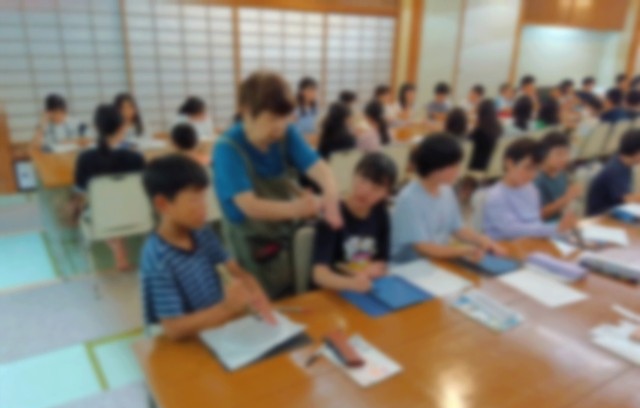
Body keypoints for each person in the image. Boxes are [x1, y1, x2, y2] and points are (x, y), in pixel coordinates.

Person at [213, 71, 341, 298]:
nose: (279, 127)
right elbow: (249, 205)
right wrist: (298, 208)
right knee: (261, 306)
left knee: (296, 298)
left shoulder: (286, 134)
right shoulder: (227, 149)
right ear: (246, 112)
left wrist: (331, 202)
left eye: (285, 117)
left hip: (285, 237)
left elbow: (321, 170)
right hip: (250, 245)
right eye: (272, 118)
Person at [140, 156, 275, 340]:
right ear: (162, 204)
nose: (204, 207)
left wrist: (255, 291)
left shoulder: (201, 232)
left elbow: (234, 270)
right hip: (184, 343)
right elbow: (174, 329)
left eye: (203, 197)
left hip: (215, 330)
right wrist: (226, 308)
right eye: (194, 200)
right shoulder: (158, 257)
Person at [391, 133, 503, 263]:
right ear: (435, 166)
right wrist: (464, 251)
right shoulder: (409, 199)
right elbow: (423, 248)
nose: (458, 171)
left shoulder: (445, 190)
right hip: (409, 266)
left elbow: (457, 228)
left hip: (436, 261)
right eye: (453, 166)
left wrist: (482, 240)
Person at [74, 104, 145, 270]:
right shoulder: (135, 157)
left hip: (100, 214)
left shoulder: (85, 158)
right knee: (120, 201)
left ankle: (116, 246)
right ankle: (120, 248)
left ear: (96, 128)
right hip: (135, 211)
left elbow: (80, 190)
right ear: (122, 128)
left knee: (87, 202)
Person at [312, 153, 397, 292]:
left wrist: (369, 272)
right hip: (333, 292)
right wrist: (353, 282)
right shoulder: (333, 213)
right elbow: (319, 275)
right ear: (354, 175)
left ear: (386, 194)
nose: (365, 191)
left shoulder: (381, 214)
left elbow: (382, 262)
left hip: (365, 288)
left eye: (376, 188)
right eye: (363, 180)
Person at [482, 137, 577, 240]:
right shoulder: (496, 196)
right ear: (509, 163)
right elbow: (512, 230)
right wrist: (554, 228)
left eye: (536, 169)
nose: (532, 175)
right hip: (505, 246)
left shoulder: (531, 189)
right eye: (528, 168)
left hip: (529, 244)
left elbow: (535, 223)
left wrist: (561, 228)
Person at [586, 129, 640, 216]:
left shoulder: (623, 163)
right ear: (637, 152)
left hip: (614, 213)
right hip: (600, 218)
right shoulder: (615, 170)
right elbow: (628, 199)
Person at [534, 132, 581, 222]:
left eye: (566, 153)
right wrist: (567, 198)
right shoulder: (536, 179)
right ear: (544, 154)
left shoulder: (562, 174)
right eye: (559, 154)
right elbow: (539, 214)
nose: (564, 158)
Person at [469, 99, 502, 171]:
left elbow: (467, 145)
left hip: (478, 167)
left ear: (480, 113)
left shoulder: (479, 131)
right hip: (494, 165)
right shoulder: (499, 128)